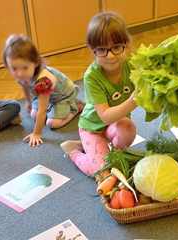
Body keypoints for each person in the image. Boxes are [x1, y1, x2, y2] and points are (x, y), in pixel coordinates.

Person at [60, 12, 138, 175]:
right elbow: (106, 117)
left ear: (126, 44)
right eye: (102, 50)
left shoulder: (132, 67)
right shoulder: (92, 76)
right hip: (92, 127)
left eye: (116, 47)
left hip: (116, 125)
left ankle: (100, 150)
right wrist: (135, 99)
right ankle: (73, 150)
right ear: (92, 50)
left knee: (128, 129)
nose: (110, 56)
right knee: (103, 173)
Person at [2, 34, 85, 147]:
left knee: (52, 123)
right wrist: (29, 103)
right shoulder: (22, 75)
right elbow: (24, 86)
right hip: (48, 96)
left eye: (25, 68)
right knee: (33, 115)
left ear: (36, 62)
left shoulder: (43, 81)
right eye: (14, 68)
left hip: (62, 95)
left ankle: (75, 108)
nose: (20, 73)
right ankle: (57, 110)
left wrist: (36, 133)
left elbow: (43, 109)